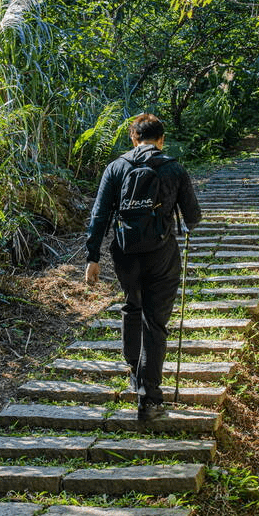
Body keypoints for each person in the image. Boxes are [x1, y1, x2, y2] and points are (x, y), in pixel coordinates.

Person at [85, 113, 201, 422]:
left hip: (125, 253)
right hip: (162, 254)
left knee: (132, 305)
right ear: (162, 140)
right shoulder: (174, 168)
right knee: (156, 322)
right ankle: (150, 399)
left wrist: (92, 257)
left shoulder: (117, 167)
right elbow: (193, 217)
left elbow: (99, 215)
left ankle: (134, 372)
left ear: (134, 139)